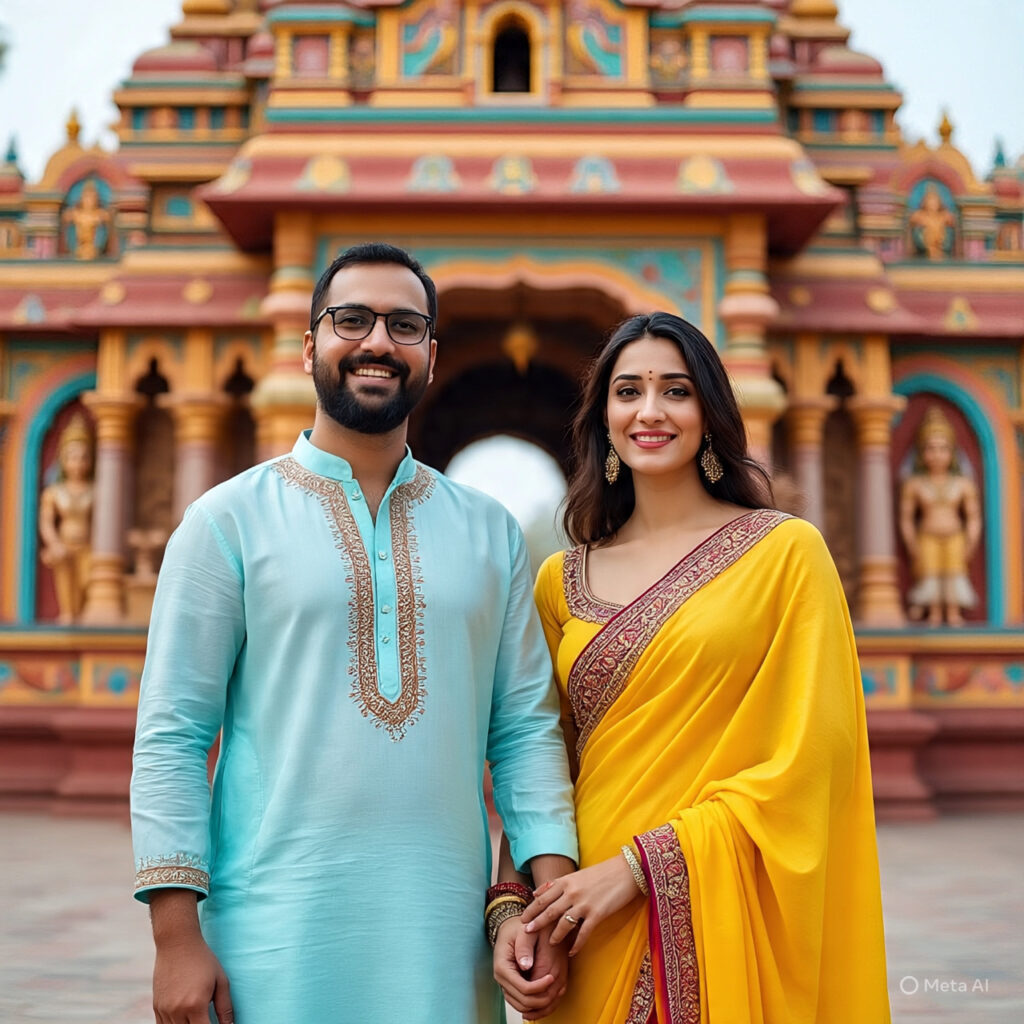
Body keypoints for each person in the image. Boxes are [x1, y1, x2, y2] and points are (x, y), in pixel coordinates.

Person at [130, 242, 577, 1024]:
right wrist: (176, 937)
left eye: (405, 325)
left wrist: (544, 906)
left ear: (430, 356)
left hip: (443, 944)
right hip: (269, 938)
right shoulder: (226, 522)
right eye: (352, 319)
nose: (377, 342)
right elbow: (173, 734)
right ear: (310, 346)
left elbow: (525, 734)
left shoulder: (489, 534)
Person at [519, 312, 890, 1022]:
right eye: (628, 392)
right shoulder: (560, 579)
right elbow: (538, 762)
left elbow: (816, 758)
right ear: (603, 417)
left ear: (709, 413)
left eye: (676, 391)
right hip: (585, 923)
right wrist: (516, 906)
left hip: (710, 906)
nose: (649, 411)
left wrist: (639, 870)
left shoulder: (783, 554)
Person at [899, 404, 980, 625]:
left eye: (943, 448)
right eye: (931, 448)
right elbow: (906, 518)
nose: (937, 455)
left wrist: (971, 541)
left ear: (952, 453)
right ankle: (934, 614)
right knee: (931, 574)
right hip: (927, 536)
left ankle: (953, 613)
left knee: (954, 573)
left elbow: (973, 517)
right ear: (921, 453)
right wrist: (912, 543)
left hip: (955, 535)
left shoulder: (963, 484)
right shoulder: (915, 484)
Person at [39, 411, 94, 623]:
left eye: (84, 457)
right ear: (63, 459)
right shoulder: (54, 492)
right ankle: (69, 616)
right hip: (63, 546)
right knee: (67, 594)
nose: (78, 463)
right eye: (72, 457)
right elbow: (46, 523)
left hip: (88, 547)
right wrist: (54, 544)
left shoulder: (94, 490)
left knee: (88, 582)